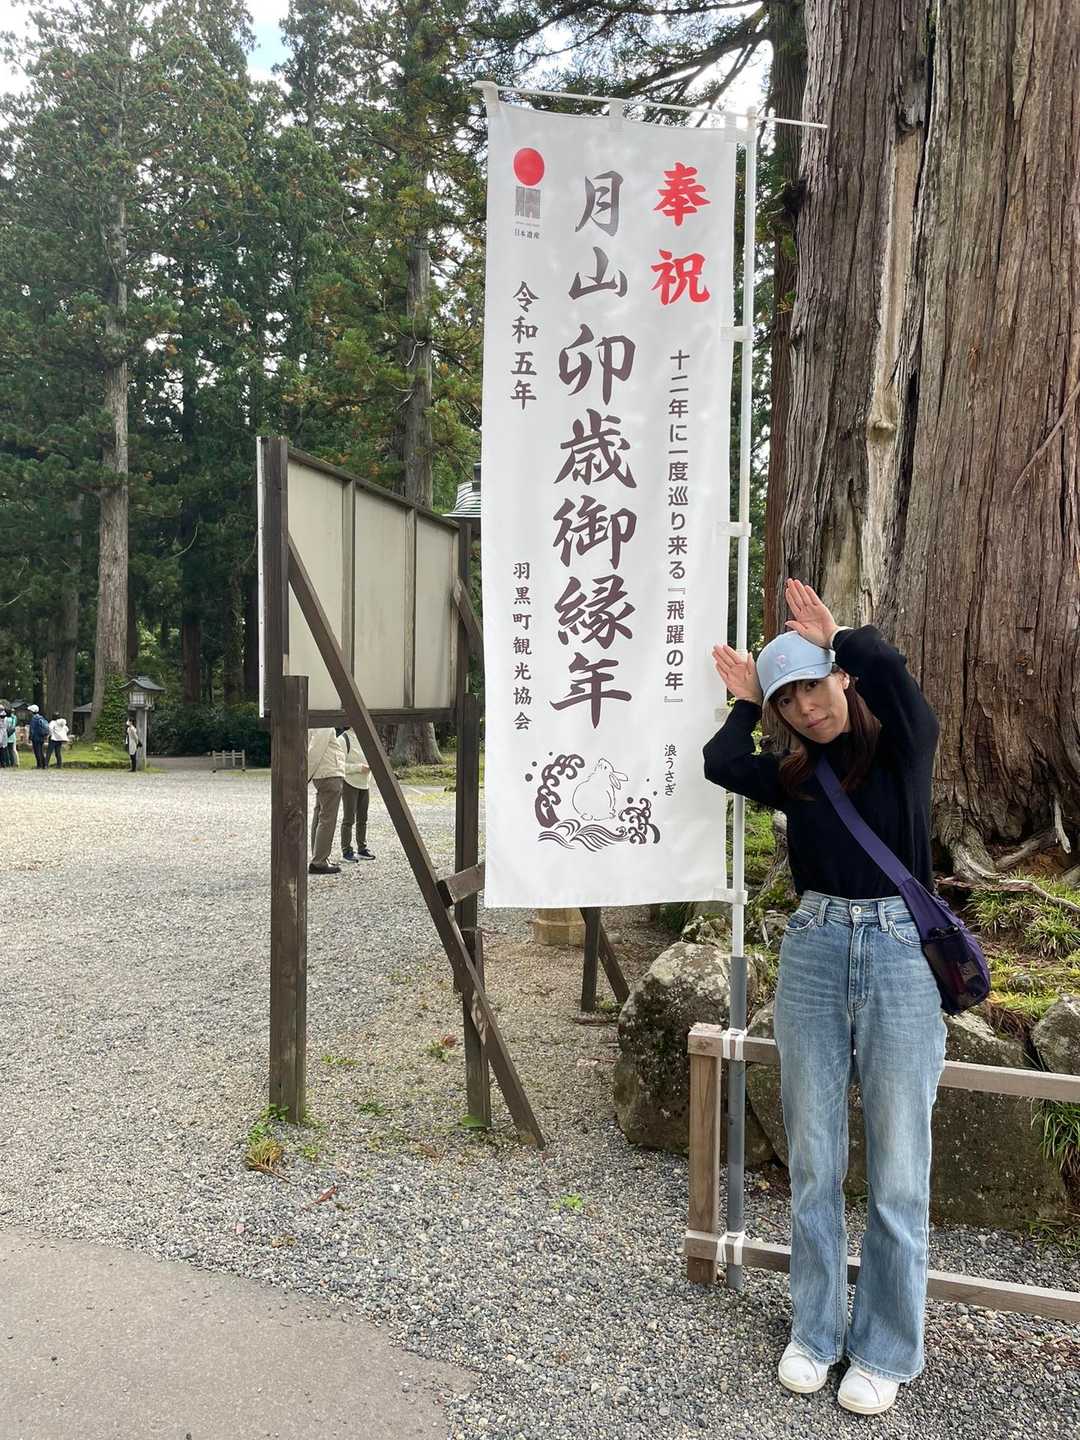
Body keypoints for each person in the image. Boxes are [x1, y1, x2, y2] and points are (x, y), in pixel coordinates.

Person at [705, 579, 944, 1418]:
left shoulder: (904, 744)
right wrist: (746, 701)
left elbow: (895, 678)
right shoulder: (796, 775)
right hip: (813, 950)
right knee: (812, 1160)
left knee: (899, 1169)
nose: (804, 707)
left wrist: (841, 637)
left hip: (900, 956)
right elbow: (722, 763)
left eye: (812, 685)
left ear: (841, 678)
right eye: (787, 700)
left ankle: (884, 1349)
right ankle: (814, 1332)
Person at [308, 727, 346, 875]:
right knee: (327, 819)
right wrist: (304, 776)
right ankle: (319, 862)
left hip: (324, 775)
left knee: (320, 817)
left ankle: (318, 857)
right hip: (329, 774)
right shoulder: (324, 725)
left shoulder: (315, 724)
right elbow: (315, 752)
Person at [339, 727, 375, 862]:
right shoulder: (343, 739)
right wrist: (359, 768)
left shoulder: (365, 737)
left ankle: (362, 849)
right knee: (348, 819)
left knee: (363, 818)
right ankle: (346, 851)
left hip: (365, 783)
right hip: (350, 783)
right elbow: (339, 765)